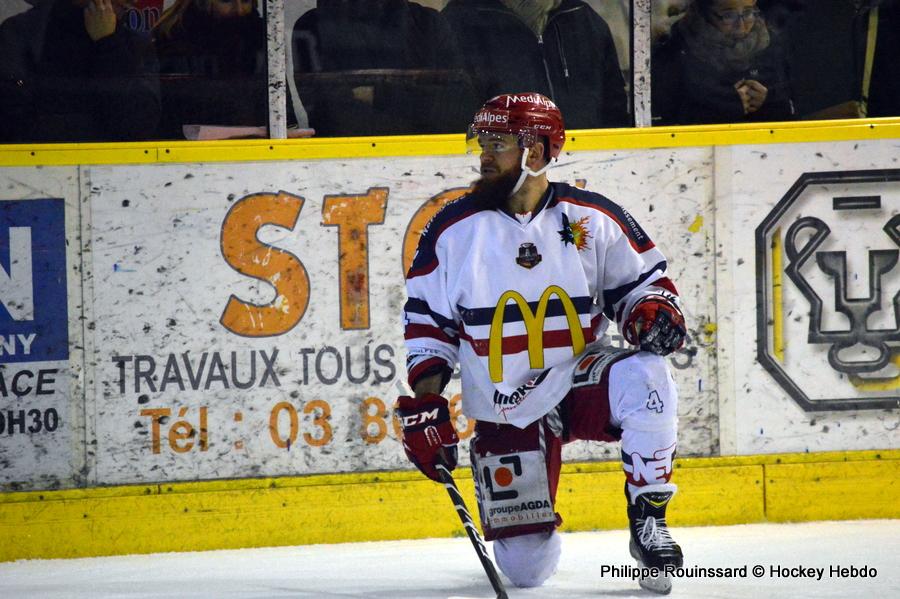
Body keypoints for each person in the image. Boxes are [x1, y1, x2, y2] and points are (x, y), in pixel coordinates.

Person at [398, 93, 686, 594]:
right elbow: (428, 324)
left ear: (536, 151)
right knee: (527, 569)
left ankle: (649, 518)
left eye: (498, 144)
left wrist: (651, 312)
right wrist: (427, 401)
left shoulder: (590, 218)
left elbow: (645, 285)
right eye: (482, 143)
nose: (484, 156)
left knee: (646, 373)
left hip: (579, 378)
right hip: (503, 403)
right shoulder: (452, 230)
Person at [291, 0, 472, 136]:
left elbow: (457, 104)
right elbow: (333, 114)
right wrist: (417, 105)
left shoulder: (429, 23)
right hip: (342, 157)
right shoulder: (314, 25)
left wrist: (375, 95)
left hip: (433, 155)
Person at [441, 0, 630, 129]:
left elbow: (614, 113)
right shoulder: (458, 22)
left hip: (589, 166)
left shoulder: (585, 20)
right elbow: (449, 119)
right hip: (495, 169)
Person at [0, 0, 160, 143]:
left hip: (114, 163)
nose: (134, 1)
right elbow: (10, 120)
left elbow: (139, 125)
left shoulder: (135, 45)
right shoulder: (24, 34)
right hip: (32, 161)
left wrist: (108, 45)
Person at [652, 0, 795, 125]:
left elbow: (791, 114)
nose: (741, 26)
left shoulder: (770, 46)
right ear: (704, 13)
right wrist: (723, 107)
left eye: (748, 13)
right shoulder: (677, 50)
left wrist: (768, 100)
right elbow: (664, 118)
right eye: (728, 15)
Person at [153, 0, 279, 138]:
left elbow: (281, 107)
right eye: (226, 1)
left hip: (258, 144)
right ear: (202, 3)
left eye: (246, 0)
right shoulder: (173, 40)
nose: (239, 10)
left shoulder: (265, 37)